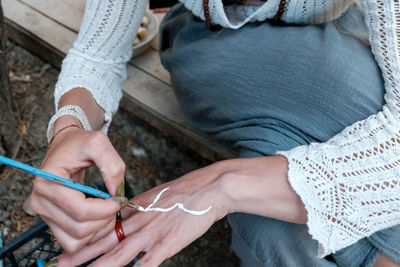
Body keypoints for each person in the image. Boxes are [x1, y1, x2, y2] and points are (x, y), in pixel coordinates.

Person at [30, 0, 400, 266]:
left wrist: (222, 185)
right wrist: (70, 126)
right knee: (345, 85)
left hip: (342, 34)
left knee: (269, 232)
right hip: (213, 46)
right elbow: (98, 55)